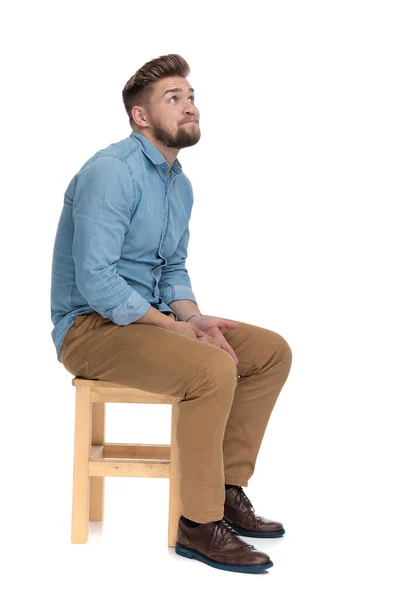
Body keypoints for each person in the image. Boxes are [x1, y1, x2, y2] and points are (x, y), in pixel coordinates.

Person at [50, 53, 292, 574]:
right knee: (211, 367)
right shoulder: (111, 172)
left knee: (269, 352)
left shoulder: (177, 185)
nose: (190, 107)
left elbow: (173, 272)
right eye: (174, 98)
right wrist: (175, 330)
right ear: (141, 117)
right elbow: (97, 282)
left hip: (148, 320)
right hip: (90, 329)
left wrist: (194, 319)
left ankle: (224, 488)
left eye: (191, 97)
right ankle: (198, 525)